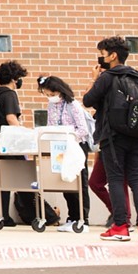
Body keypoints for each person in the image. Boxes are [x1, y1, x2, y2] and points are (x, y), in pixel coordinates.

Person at [82, 36, 138, 242]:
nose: (101, 58)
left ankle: (120, 226)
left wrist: (95, 78)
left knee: (114, 179)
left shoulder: (108, 77)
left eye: (103, 54)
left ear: (113, 56)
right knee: (136, 179)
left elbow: (87, 100)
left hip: (114, 138)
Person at [37, 75, 92, 232]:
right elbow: (50, 125)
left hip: (76, 147)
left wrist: (68, 134)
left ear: (59, 91)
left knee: (79, 183)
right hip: (59, 148)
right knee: (64, 181)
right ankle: (71, 217)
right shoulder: (51, 106)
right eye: (47, 95)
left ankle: (82, 219)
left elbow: (83, 129)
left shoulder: (72, 104)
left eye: (52, 95)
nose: (50, 98)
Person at [0, 60, 27, 227]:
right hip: (7, 144)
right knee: (14, 178)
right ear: (14, 79)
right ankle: (3, 215)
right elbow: (11, 118)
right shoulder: (9, 94)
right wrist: (25, 134)